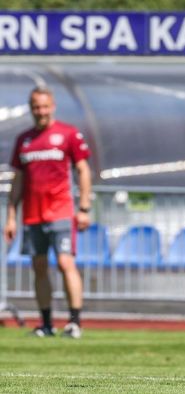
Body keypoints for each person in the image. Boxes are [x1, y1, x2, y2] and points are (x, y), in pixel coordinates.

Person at [4, 86, 92, 339]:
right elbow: (18, 179)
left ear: (52, 106)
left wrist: (84, 207)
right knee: (39, 266)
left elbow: (83, 170)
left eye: (44, 106)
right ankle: (46, 324)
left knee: (66, 262)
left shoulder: (68, 134)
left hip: (61, 211)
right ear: (31, 108)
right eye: (36, 107)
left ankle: (74, 322)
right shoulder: (25, 140)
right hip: (32, 215)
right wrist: (12, 214)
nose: (40, 111)